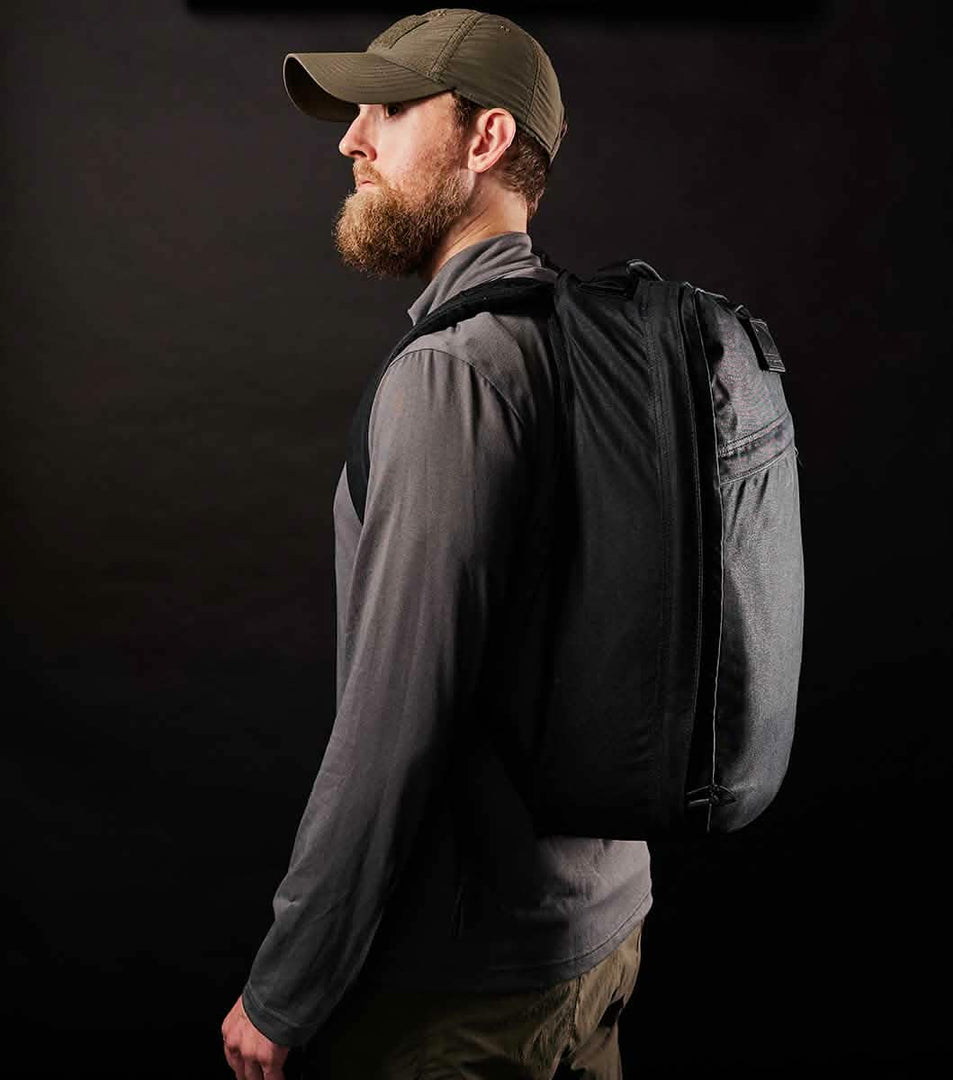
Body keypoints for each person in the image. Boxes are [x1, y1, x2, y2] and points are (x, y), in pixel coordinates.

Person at [220, 9, 652, 1079]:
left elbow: (392, 729)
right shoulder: (591, 342)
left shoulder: (454, 377)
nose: (351, 141)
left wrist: (285, 988)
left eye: (388, 111)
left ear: (486, 139)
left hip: (471, 993)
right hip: (600, 930)